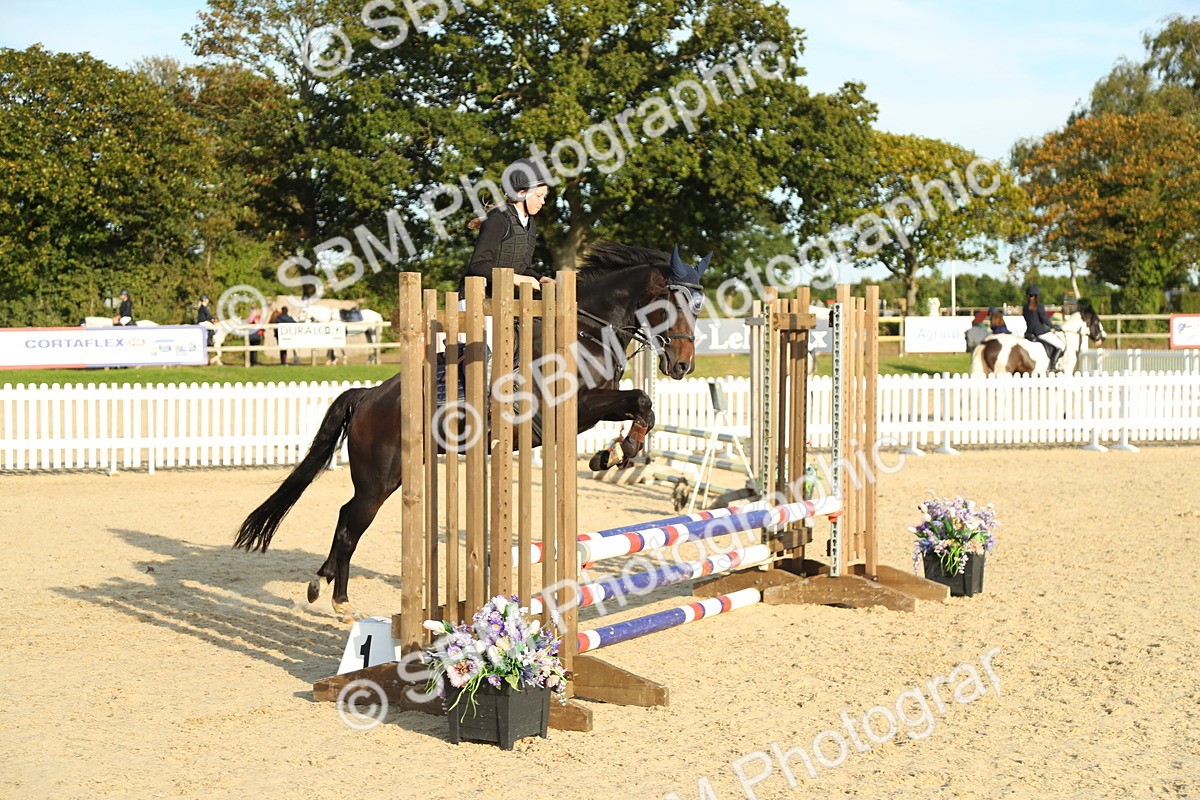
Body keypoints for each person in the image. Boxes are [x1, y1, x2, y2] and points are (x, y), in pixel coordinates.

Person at [459, 157, 556, 297]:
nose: (543, 202)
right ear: (521, 194)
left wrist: (539, 278)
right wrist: (518, 279)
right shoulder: (498, 219)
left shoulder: (530, 224)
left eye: (544, 196)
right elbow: (478, 265)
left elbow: (522, 268)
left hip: (502, 300)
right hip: (475, 299)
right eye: (539, 196)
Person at [1022, 285, 1063, 371]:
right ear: (1037, 296)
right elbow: (1044, 319)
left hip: (1029, 333)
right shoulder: (1039, 306)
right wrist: (1054, 326)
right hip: (1041, 332)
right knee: (1061, 346)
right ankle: (1052, 366)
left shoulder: (1025, 307)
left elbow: (1028, 321)